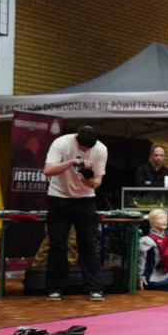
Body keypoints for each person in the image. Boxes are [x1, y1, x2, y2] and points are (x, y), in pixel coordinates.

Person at [42, 125, 108, 301]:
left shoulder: (101, 149)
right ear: (76, 139)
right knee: (57, 243)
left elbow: (97, 182)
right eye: (82, 147)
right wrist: (72, 162)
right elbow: (48, 170)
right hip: (59, 198)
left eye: (89, 148)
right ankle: (55, 287)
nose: (86, 150)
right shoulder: (62, 143)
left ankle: (95, 287)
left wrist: (88, 180)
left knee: (88, 243)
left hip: (85, 200)